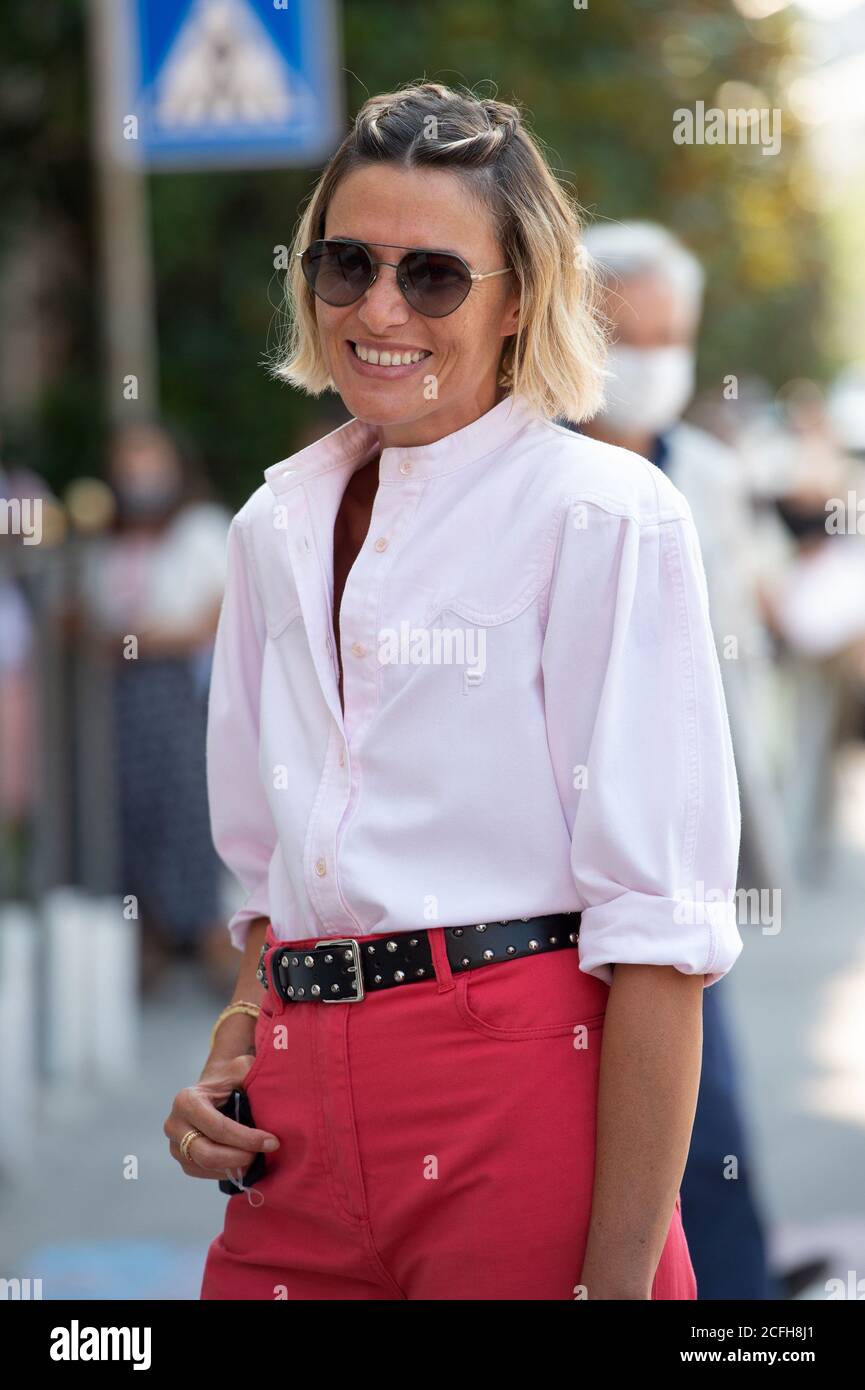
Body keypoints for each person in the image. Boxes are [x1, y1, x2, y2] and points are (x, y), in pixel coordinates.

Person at [164, 81, 743, 1302]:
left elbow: (658, 932)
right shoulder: (272, 525)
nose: (379, 309)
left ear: (519, 296)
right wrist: (232, 1051)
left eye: (432, 276)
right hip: (295, 1128)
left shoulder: (606, 515)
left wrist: (618, 1283)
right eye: (346, 265)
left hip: (521, 1094)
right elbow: (272, 889)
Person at [567, 221, 784, 1299]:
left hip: (681, 856)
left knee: (709, 1112)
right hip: (558, 873)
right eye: (628, 334)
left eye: (671, 336)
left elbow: (744, 651)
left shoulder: (708, 473)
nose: (652, 359)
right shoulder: (532, 470)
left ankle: (737, 1304)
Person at [79, 421, 233, 991]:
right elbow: (92, 624)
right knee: (132, 812)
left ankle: (216, 939)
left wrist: (142, 641)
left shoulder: (201, 530)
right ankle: (153, 941)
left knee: (191, 808)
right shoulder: (106, 541)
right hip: (124, 702)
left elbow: (214, 616)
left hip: (186, 696)